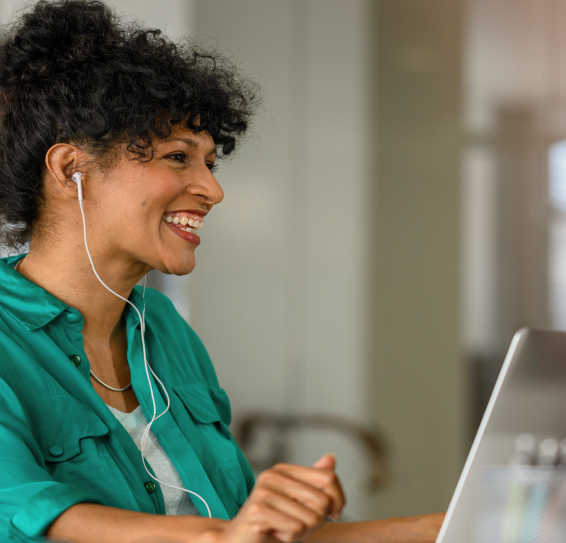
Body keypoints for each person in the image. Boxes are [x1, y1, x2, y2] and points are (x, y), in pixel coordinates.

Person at [0, 1, 444, 541]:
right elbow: (36, 513)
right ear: (72, 170)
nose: (213, 190)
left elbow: (246, 533)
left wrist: (454, 526)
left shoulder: (161, 328)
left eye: (210, 162)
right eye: (177, 158)